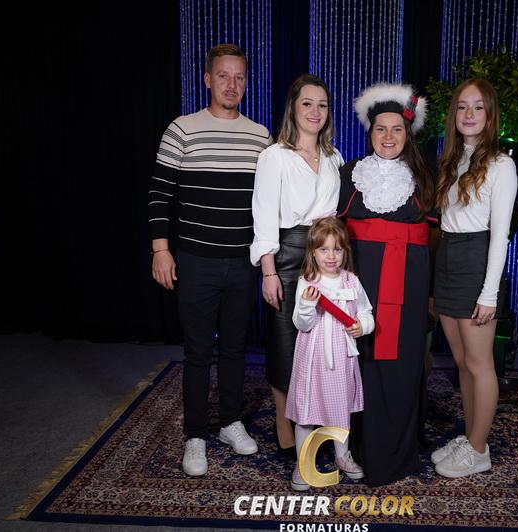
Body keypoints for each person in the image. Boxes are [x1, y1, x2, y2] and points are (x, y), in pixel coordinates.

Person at [148, 43, 272, 476]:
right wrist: (160, 249)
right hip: (195, 260)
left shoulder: (261, 137)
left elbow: (269, 202)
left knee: (236, 349)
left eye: (239, 77)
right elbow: (159, 194)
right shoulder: (181, 130)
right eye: (223, 76)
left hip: (242, 262)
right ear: (207, 79)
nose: (231, 85)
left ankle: (231, 423)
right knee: (199, 351)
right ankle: (195, 435)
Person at [337, 83, 435, 486]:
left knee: (401, 362)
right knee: (359, 360)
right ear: (370, 132)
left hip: (408, 285)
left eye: (397, 129)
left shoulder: (425, 177)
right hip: (359, 282)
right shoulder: (349, 174)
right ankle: (357, 447)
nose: (389, 136)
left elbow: (437, 232)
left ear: (407, 134)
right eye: (381, 128)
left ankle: (397, 452)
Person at [250, 74, 344, 457]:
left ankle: (316, 423)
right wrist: (268, 272)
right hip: (287, 256)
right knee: (285, 343)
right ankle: (284, 424)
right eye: (307, 103)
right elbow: (263, 216)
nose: (315, 111)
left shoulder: (335, 158)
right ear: (293, 107)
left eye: (322, 105)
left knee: (321, 346)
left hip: (326, 259)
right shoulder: (274, 156)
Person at [430, 78, 517, 477]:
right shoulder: (451, 159)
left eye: (478, 106)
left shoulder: (502, 165)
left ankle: (480, 450)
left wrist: (489, 293)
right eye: (463, 106)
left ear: (490, 114)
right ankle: (471, 436)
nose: (469, 114)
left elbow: (500, 236)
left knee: (481, 364)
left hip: (477, 260)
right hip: (449, 256)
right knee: (462, 362)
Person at [285, 217, 374, 491]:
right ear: (313, 252)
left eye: (337, 249)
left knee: (340, 409)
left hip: (342, 356)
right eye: (324, 249)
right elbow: (302, 324)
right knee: (306, 410)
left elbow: (366, 311)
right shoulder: (307, 282)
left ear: (345, 251)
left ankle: (342, 456)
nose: (331, 256)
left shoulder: (351, 281)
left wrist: (363, 326)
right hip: (313, 356)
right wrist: (307, 305)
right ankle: (303, 461)